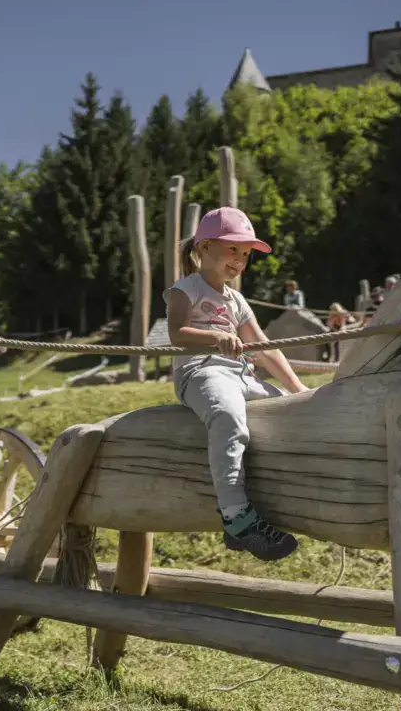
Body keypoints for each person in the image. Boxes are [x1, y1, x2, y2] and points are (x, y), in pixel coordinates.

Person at [164, 207, 308, 562]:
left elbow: (265, 348)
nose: (240, 260)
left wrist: (299, 391)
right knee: (228, 416)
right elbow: (176, 333)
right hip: (201, 372)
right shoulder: (185, 290)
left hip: (240, 374)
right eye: (233, 250)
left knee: (283, 409)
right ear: (206, 247)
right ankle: (236, 516)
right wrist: (215, 337)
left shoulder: (237, 299)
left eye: (246, 254)